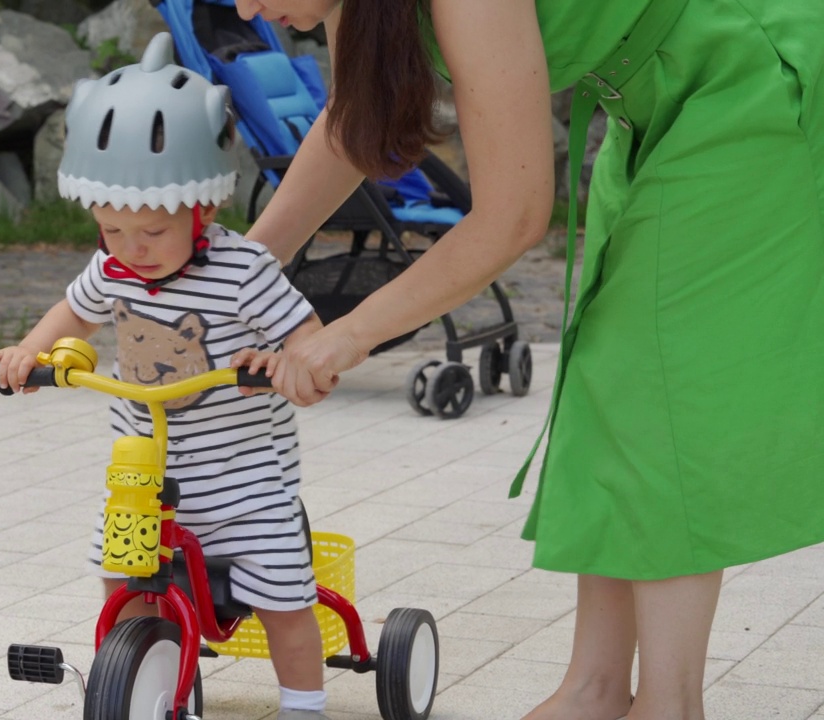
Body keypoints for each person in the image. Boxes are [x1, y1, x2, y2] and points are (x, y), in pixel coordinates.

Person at [229, 1, 824, 719]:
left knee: (661, 386)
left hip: (749, 73)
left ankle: (670, 704)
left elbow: (512, 216)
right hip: (653, 96)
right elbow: (356, 119)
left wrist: (349, 333)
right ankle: (594, 690)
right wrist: (245, 270)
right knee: (607, 374)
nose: (243, 7)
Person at [0, 33, 334, 720]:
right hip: (141, 480)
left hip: (244, 483)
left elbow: (312, 339)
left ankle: (304, 705)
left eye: (150, 232)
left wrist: (285, 363)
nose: (130, 250)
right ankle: (141, 681)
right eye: (111, 230)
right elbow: (74, 314)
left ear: (200, 208)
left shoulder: (243, 272)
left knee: (285, 601)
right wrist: (30, 353)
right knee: (120, 581)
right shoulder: (112, 267)